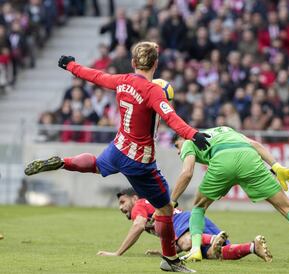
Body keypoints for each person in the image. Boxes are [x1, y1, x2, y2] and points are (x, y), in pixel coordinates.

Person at [24, 41, 211, 273]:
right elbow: (171, 117)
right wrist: (193, 134)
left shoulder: (123, 80)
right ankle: (170, 260)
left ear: (133, 63)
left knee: (95, 165)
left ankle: (64, 162)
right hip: (140, 161)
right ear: (156, 64)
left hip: (118, 147)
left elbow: (96, 76)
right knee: (165, 208)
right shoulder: (153, 91)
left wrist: (71, 65)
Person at [171, 126, 289, 265]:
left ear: (181, 137)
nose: (178, 152)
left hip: (222, 161)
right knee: (286, 207)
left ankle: (195, 250)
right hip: (248, 157)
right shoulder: (225, 129)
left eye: (176, 146)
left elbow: (187, 173)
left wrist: (172, 201)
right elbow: (255, 144)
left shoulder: (187, 141)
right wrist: (276, 167)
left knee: (199, 207)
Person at [96, 188, 272, 263]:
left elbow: (139, 226)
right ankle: (252, 247)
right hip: (192, 220)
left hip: (183, 222)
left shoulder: (139, 205)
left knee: (187, 243)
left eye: (122, 202)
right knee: (216, 254)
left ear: (133, 198)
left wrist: (117, 253)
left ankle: (212, 239)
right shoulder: (147, 205)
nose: (121, 207)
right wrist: (167, 252)